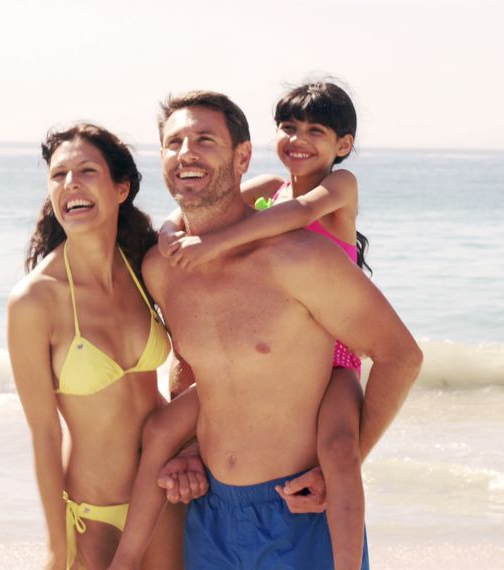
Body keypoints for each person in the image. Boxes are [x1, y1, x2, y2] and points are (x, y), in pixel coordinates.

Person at [109, 92, 422, 570]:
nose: (187, 152)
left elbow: (401, 356)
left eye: (204, 139)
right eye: (174, 142)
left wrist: (345, 463)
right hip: (210, 518)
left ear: (242, 157)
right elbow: (196, 364)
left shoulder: (301, 259)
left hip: (300, 512)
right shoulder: (161, 267)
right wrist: (189, 450)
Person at [156, 80, 370, 569]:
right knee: (162, 431)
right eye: (288, 128)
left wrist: (215, 245)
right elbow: (189, 210)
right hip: (283, 358)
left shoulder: (340, 185)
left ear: (343, 145)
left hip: (335, 352)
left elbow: (302, 212)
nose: (298, 139)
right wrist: (170, 231)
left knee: (338, 452)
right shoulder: (270, 188)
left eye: (315, 131)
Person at [6, 123, 184, 570]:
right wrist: (55, 546)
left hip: (163, 496)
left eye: (86, 170)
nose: (70, 184)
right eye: (58, 175)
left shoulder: (145, 266)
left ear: (121, 188)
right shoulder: (35, 300)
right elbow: (45, 435)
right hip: (92, 514)